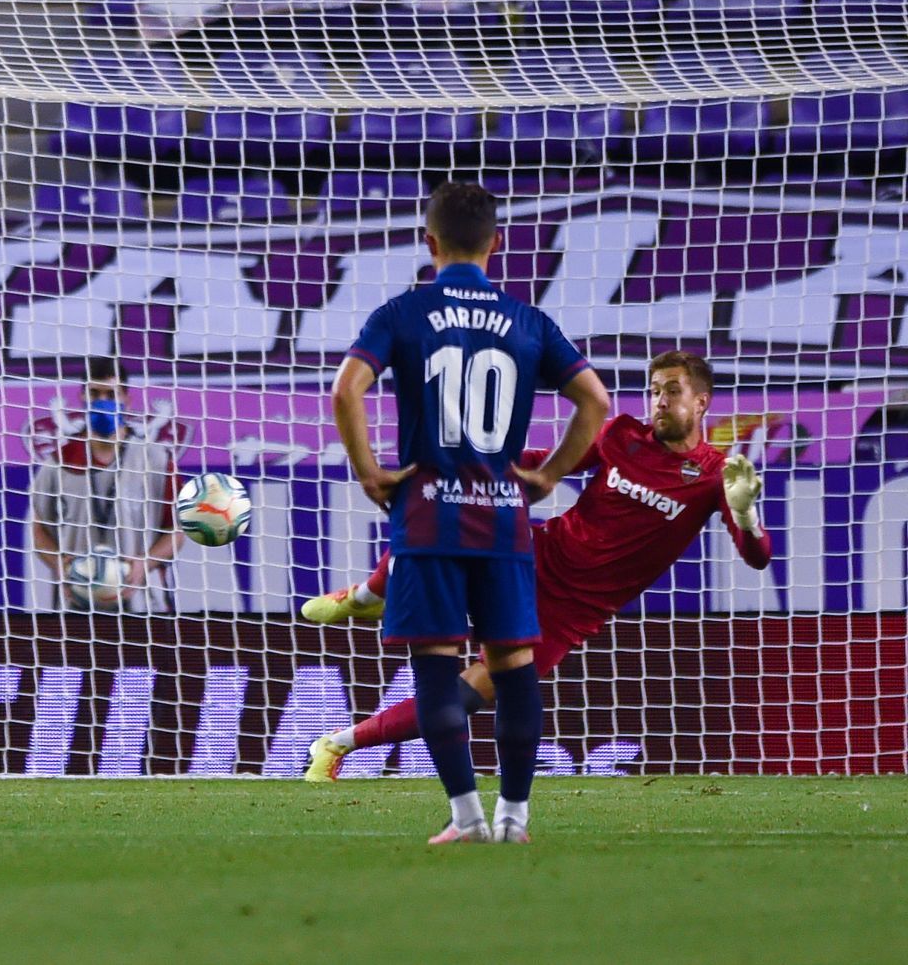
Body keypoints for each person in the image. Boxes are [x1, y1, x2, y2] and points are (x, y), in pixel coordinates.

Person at [304, 350, 771, 781]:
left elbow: (757, 557)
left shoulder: (719, 475)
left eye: (672, 390)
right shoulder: (623, 435)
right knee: (446, 510)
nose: (659, 401)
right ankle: (366, 597)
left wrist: (747, 516)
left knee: (471, 695)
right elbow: (548, 462)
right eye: (653, 390)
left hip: (571, 612)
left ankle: (336, 746)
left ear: (702, 401)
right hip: (536, 555)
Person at [333, 182, 609, 844]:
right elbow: (595, 401)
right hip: (504, 522)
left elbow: (348, 388)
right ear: (498, 243)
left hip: (427, 521)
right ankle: (516, 819)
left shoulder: (402, 312)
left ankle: (467, 817)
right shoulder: (528, 320)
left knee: (435, 663)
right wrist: (546, 475)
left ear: (429, 243)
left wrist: (370, 471)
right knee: (513, 663)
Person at [28, 356, 183, 612]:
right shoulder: (59, 462)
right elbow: (39, 531)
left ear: (126, 399)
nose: (102, 402)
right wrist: (60, 564)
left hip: (141, 603)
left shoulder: (155, 459)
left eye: (111, 394)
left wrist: (144, 563)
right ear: (83, 397)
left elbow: (176, 530)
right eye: (94, 393)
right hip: (77, 603)